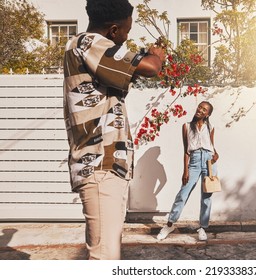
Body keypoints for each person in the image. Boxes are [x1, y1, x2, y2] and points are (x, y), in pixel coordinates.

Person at [63, 0, 166, 260]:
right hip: (99, 165)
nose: (126, 37)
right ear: (112, 31)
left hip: (107, 166)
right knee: (105, 258)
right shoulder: (88, 44)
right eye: (126, 31)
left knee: (108, 252)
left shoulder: (89, 51)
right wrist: (157, 55)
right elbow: (151, 68)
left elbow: (127, 71)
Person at [157, 101, 219, 241]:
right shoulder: (186, 126)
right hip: (195, 161)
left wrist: (216, 154)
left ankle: (203, 227)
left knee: (206, 197)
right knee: (183, 194)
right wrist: (185, 170)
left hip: (209, 161)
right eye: (200, 107)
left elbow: (212, 145)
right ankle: (169, 224)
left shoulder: (211, 127)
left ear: (208, 114)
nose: (200, 110)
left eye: (204, 109)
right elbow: (186, 151)